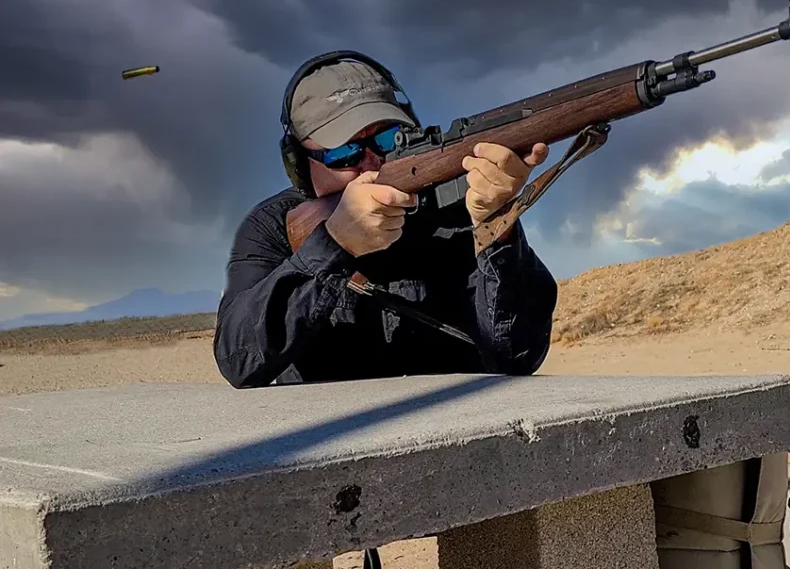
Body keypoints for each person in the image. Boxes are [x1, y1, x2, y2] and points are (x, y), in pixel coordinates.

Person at [213, 54, 558, 389]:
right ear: (300, 164)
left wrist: (495, 225)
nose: (371, 163)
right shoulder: (275, 226)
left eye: (387, 139)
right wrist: (334, 244)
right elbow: (238, 359)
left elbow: (520, 353)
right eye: (343, 152)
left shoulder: (456, 210)